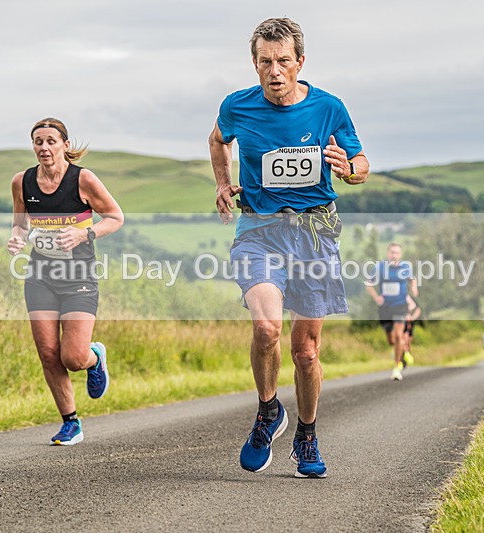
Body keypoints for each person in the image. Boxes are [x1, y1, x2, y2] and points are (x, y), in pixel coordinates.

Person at [209, 17, 369, 478]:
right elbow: (218, 140)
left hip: (314, 234)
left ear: (300, 62)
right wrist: (223, 183)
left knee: (306, 351)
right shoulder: (237, 106)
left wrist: (349, 167)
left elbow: (361, 162)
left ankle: (306, 434)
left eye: (283, 62)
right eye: (265, 62)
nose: (274, 71)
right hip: (258, 231)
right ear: (254, 64)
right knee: (265, 329)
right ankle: (267, 411)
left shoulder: (328, 107)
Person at [7, 118, 124, 445]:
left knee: (72, 358)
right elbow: (20, 225)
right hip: (40, 276)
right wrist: (17, 239)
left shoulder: (83, 180)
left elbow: (115, 217)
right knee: (48, 352)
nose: (44, 148)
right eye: (38, 142)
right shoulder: (22, 182)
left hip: (78, 277)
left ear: (65, 145)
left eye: (50, 142)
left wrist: (85, 232)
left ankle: (95, 357)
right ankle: (70, 422)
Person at [365, 243, 419, 381]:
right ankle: (404, 350)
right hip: (385, 307)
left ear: (400, 255)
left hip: (400, 305)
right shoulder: (380, 267)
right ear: (388, 253)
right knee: (391, 340)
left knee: (399, 335)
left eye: (397, 252)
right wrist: (376, 297)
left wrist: (414, 289)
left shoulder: (405, 267)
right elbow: (368, 283)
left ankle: (397, 367)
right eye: (392, 252)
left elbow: (413, 279)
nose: (394, 255)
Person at [402, 295, 422, 368]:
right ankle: (402, 358)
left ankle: (406, 357)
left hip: (408, 323)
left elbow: (418, 309)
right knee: (403, 341)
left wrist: (412, 318)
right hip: (400, 323)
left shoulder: (409, 298)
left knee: (407, 343)